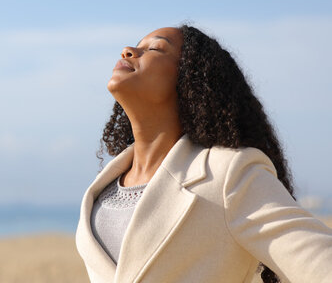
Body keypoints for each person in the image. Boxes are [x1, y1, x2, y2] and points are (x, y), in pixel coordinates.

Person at [75, 24, 332, 283]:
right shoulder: (102, 190)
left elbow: (321, 265)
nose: (128, 51)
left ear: (191, 79)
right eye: (135, 46)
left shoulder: (229, 174)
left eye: (154, 48)